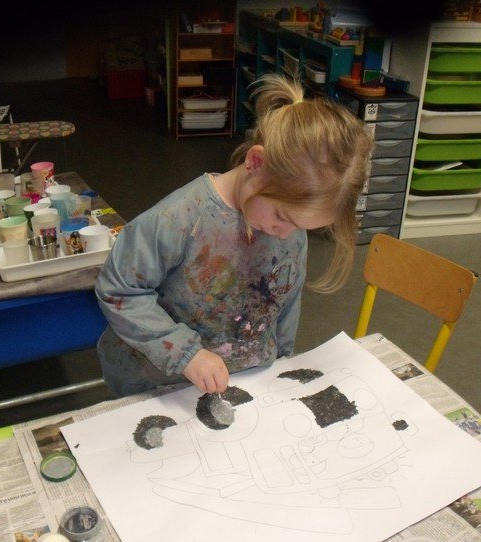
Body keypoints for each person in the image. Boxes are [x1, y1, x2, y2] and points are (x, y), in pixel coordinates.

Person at [94, 73, 372, 398]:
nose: (287, 235)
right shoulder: (180, 218)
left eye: (301, 227)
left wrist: (282, 363)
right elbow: (119, 290)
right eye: (282, 217)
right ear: (256, 162)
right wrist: (186, 354)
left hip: (243, 384)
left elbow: (284, 302)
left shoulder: (288, 229)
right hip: (160, 385)